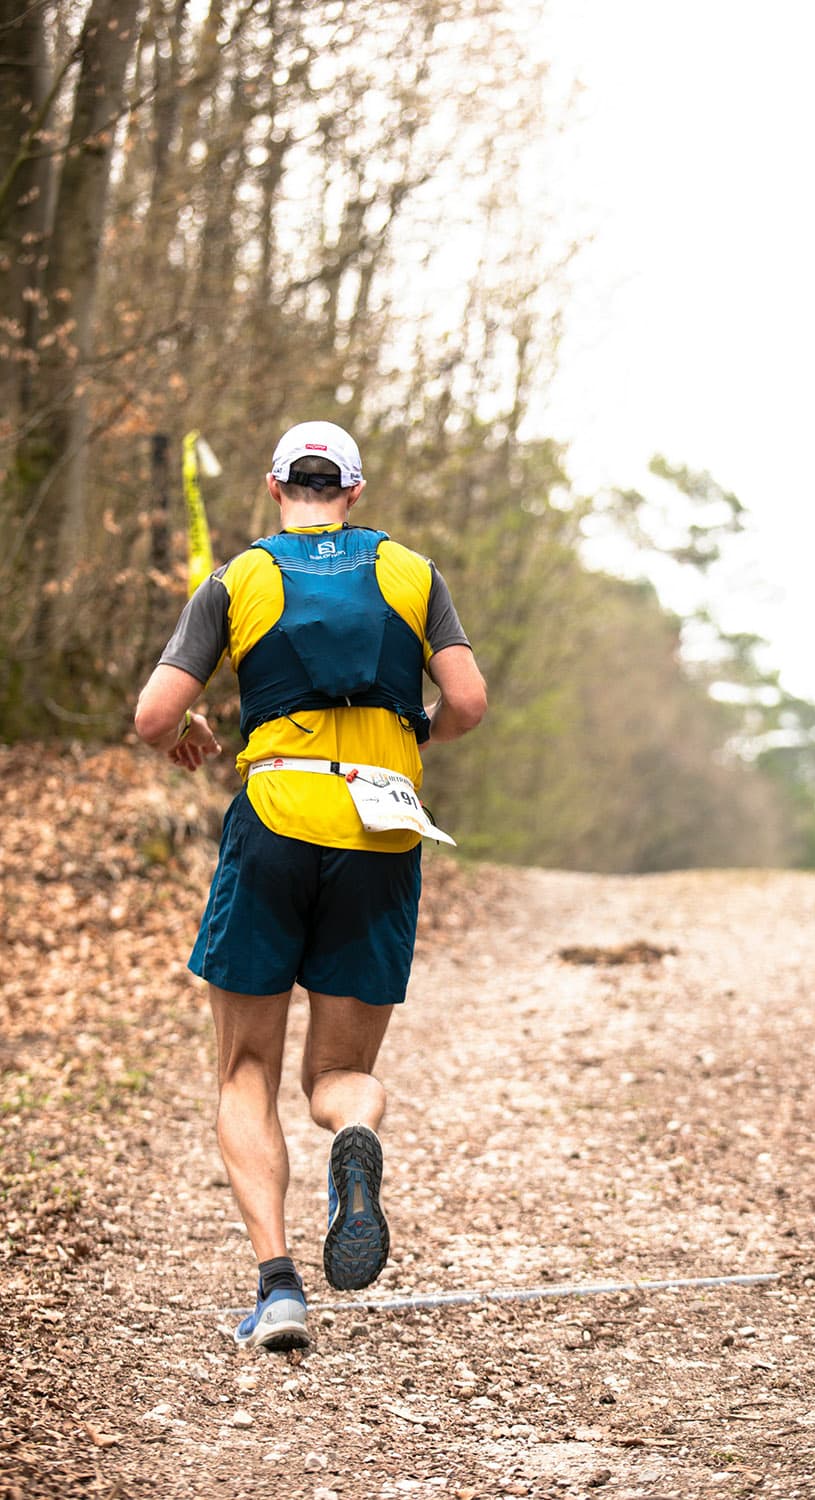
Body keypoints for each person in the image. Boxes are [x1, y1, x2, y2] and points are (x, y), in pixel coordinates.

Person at [134, 420, 487, 1350]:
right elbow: (469, 702)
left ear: (275, 486)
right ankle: (355, 1137)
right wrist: (415, 731)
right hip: (383, 827)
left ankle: (279, 1289)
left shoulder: (239, 578)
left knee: (244, 1069)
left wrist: (191, 731)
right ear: (354, 492)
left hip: (278, 817)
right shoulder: (413, 573)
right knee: (336, 1075)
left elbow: (155, 716)